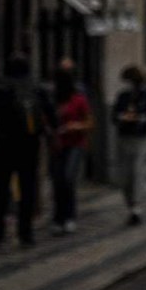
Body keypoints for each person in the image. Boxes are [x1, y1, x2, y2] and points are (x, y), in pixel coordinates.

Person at [0, 56, 54, 248]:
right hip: (29, 144)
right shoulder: (36, 87)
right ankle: (26, 233)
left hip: (5, 143)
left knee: (0, 189)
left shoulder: (0, 87)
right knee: (27, 188)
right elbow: (50, 114)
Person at [50, 66, 92, 234]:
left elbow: (89, 122)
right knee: (58, 181)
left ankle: (69, 216)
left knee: (68, 179)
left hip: (75, 144)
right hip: (57, 145)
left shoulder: (79, 100)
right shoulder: (53, 100)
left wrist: (76, 126)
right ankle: (58, 217)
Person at [112, 66, 146, 226]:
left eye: (129, 81)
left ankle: (136, 207)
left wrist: (140, 119)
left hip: (141, 138)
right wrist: (122, 117)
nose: (127, 85)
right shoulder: (123, 96)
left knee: (137, 171)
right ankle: (131, 205)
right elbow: (114, 115)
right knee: (125, 175)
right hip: (124, 137)